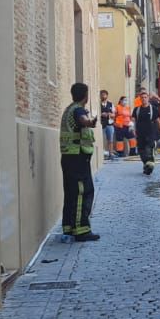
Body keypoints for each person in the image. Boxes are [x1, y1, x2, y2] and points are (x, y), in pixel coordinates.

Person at [59, 82, 100, 241]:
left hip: (69, 157)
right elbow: (83, 120)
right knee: (82, 192)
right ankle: (81, 230)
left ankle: (69, 227)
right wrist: (91, 122)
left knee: (70, 193)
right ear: (86, 96)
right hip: (78, 158)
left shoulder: (68, 109)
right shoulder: (78, 109)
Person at [133, 89, 160, 175]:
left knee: (148, 151)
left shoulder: (153, 109)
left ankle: (150, 167)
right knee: (142, 152)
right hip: (140, 134)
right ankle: (146, 165)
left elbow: (158, 121)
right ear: (140, 99)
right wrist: (132, 128)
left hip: (150, 134)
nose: (143, 99)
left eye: (145, 97)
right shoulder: (137, 110)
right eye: (142, 97)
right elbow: (133, 120)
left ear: (148, 98)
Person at [98, 89, 114, 159]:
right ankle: (103, 154)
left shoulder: (110, 104)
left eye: (104, 95)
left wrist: (108, 114)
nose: (103, 96)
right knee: (102, 140)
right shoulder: (98, 104)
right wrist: (101, 114)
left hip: (109, 124)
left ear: (107, 96)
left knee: (110, 140)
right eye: (101, 95)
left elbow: (114, 114)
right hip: (101, 124)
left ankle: (110, 153)